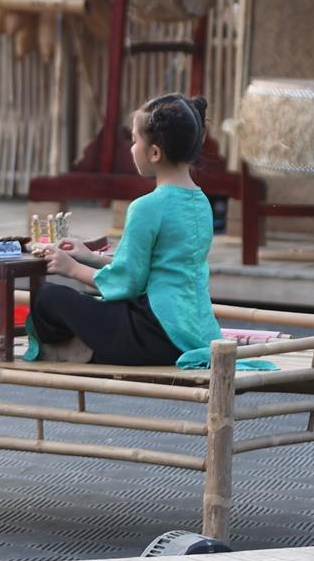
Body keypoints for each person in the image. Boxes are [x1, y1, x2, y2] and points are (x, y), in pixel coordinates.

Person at [26, 93, 257, 370]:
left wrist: (71, 269)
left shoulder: (146, 207)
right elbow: (155, 268)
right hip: (191, 331)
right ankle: (87, 345)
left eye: (135, 140)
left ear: (155, 153)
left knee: (47, 297)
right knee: (91, 305)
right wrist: (89, 257)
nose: (131, 148)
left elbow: (128, 282)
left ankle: (82, 347)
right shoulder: (201, 202)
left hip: (151, 333)